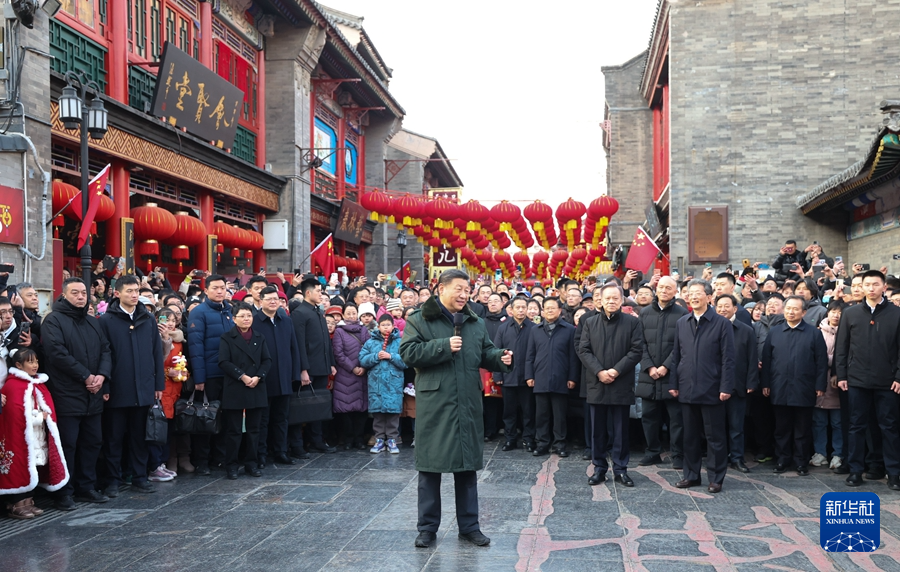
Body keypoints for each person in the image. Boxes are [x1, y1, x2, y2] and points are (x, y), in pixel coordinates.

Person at [400, 269, 512, 548]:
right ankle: (427, 528)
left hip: (468, 403)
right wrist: (442, 346)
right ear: (441, 288)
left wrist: (501, 358)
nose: (464, 295)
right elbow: (408, 354)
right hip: (435, 405)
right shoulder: (419, 320)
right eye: (458, 289)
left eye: (467, 290)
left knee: (467, 468)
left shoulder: (474, 321)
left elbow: (484, 352)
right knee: (430, 468)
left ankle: (469, 527)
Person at [42, 278, 112, 510]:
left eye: (84, 292)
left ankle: (86, 487)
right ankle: (64, 491)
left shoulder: (93, 322)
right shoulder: (53, 320)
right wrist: (85, 376)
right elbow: (56, 354)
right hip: (66, 392)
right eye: (75, 293)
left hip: (93, 392)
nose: (81, 296)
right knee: (68, 444)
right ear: (64, 295)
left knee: (93, 441)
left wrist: (101, 376)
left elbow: (105, 349)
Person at [98, 275, 165, 496]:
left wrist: (158, 384)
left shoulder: (147, 319)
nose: (134, 294)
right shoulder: (106, 321)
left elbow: (156, 353)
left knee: (140, 437)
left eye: (136, 290)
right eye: (129, 291)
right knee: (114, 438)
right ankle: (113, 481)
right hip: (117, 388)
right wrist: (105, 387)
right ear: (117, 293)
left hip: (144, 387)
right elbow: (103, 356)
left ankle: (140, 477)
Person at [834, 269, 900, 490]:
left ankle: (893, 473)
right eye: (867, 284)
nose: (870, 288)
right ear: (861, 287)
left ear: (884, 287)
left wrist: (898, 376)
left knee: (889, 427)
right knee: (856, 426)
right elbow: (841, 347)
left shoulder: (896, 313)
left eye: (875, 284)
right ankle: (855, 470)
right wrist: (842, 375)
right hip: (857, 380)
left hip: (888, 381)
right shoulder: (851, 313)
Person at [669, 279, 735, 494]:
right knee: (689, 436)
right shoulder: (682, 322)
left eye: (698, 293)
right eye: (690, 293)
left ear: (709, 297)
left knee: (715, 437)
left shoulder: (722, 323)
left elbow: (728, 359)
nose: (694, 296)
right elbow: (676, 356)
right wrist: (674, 383)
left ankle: (716, 478)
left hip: (713, 389)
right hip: (686, 388)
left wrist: (726, 386)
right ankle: (691, 475)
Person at [577, 283, 643, 488]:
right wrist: (599, 371)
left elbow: (636, 350)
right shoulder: (590, 322)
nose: (611, 301)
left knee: (621, 429)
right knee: (597, 430)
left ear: (622, 300)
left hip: (621, 382)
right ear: (601, 300)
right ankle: (599, 468)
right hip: (597, 382)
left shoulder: (632, 323)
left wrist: (615, 371)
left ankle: (621, 469)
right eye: (608, 298)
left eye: (616, 298)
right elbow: (584, 350)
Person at [761, 296, 828, 476]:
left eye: (795, 309)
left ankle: (801, 462)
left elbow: (821, 362)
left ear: (804, 312)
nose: (791, 312)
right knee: (781, 428)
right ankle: (782, 459)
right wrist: (766, 383)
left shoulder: (814, 333)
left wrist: (820, 385)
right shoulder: (775, 332)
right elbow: (767, 360)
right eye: (788, 308)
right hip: (779, 386)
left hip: (804, 387)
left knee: (802, 429)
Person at [0, 349, 68, 519]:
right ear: (18, 365)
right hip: (20, 436)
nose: (35, 365)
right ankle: (16, 503)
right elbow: (16, 414)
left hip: (37, 435)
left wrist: (45, 416)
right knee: (19, 465)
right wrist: (39, 417)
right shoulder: (13, 386)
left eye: (36, 361)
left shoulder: (37, 383)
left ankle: (29, 500)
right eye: (30, 362)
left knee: (33, 466)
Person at [637, 276, 688, 469]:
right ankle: (652, 452)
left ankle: (678, 454)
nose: (664, 290)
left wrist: (666, 366)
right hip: (648, 374)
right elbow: (639, 343)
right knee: (649, 416)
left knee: (676, 418)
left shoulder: (683, 314)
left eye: (669, 288)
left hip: (672, 374)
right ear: (655, 290)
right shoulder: (644, 313)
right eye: (661, 287)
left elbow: (682, 345)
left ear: (675, 292)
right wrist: (649, 366)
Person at [218, 302, 272, 479]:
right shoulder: (227, 337)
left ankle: (252, 463)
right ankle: (231, 465)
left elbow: (267, 360)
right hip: (236, 386)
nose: (246, 319)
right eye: (242, 316)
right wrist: (242, 376)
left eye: (249, 316)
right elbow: (224, 362)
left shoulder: (259, 336)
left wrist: (258, 376)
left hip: (256, 386)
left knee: (254, 429)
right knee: (233, 430)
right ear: (234, 319)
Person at [254, 286, 302, 468]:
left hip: (284, 377)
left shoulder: (286, 320)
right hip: (264, 378)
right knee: (263, 419)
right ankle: (261, 453)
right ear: (260, 301)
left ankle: (281, 451)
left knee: (282, 418)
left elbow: (294, 348)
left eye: (276, 299)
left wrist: (295, 373)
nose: (274, 302)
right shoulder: (255, 321)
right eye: (269, 299)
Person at [526, 297, 578, 458]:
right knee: (541, 414)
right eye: (546, 308)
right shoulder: (535, 330)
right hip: (540, 378)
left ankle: (560, 444)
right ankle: (542, 443)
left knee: (560, 415)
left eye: (552, 308)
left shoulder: (569, 330)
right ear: (542, 311)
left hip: (561, 378)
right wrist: (529, 375)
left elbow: (573, 357)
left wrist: (572, 377)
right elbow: (530, 356)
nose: (549, 311)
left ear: (560, 310)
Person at [291, 277, 337, 454]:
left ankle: (317, 440)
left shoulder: (319, 311)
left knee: (318, 406)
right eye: (318, 291)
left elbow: (325, 340)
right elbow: (299, 344)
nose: (321, 294)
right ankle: (298, 444)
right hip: (308, 368)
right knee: (301, 406)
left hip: (322, 365)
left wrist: (331, 363)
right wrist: (303, 369)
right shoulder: (299, 313)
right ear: (308, 292)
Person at [714, 294, 759, 473]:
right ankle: (719, 457)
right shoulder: (710, 328)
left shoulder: (746, 330)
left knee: (736, 426)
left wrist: (751, 382)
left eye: (727, 306)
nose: (723, 309)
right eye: (719, 306)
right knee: (717, 426)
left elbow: (752, 358)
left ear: (735, 308)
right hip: (714, 385)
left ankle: (737, 458)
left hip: (738, 384)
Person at [494, 296, 536, 452]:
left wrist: (533, 376)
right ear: (510, 309)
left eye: (523, 307)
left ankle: (528, 439)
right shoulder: (503, 328)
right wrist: (498, 375)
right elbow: (496, 353)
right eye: (517, 307)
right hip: (508, 376)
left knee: (528, 411)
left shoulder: (533, 327)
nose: (520, 310)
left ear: (527, 309)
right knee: (509, 412)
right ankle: (510, 439)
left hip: (527, 377)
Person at [360, 315, 406, 454]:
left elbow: (406, 361)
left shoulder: (400, 342)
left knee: (393, 414)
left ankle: (392, 438)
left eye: (388, 324)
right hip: (376, 383)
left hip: (394, 383)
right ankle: (379, 438)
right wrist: (375, 357)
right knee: (378, 413)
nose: (386, 327)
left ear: (393, 326)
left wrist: (391, 356)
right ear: (378, 326)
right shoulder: (371, 342)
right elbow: (362, 359)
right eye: (383, 324)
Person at [332, 304, 370, 450]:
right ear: (343, 315)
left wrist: (364, 367)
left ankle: (359, 439)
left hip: (362, 374)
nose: (351, 316)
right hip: (345, 374)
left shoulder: (364, 330)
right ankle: (348, 439)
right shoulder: (339, 331)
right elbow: (338, 354)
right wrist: (353, 368)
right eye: (348, 313)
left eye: (354, 313)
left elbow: (369, 349)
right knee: (345, 409)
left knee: (361, 410)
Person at [813, 303, 844, 471]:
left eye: (840, 312)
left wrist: (837, 371)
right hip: (819, 381)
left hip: (838, 382)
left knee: (837, 422)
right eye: (833, 311)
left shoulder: (847, 332)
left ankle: (838, 453)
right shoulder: (817, 332)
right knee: (818, 421)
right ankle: (820, 452)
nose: (836, 315)